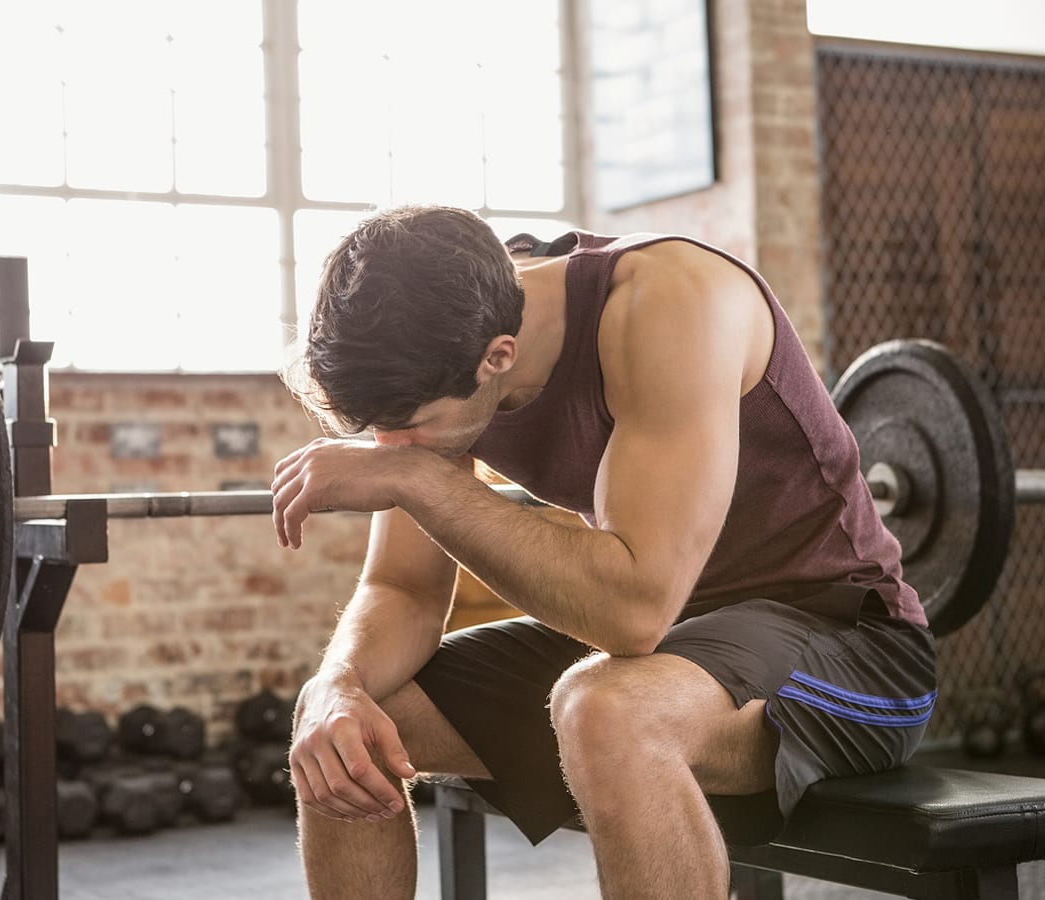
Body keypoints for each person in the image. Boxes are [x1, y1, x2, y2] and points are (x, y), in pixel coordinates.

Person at [270, 205, 937, 899]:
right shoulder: (443, 327)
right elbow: (403, 590)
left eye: (409, 429)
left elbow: (632, 613)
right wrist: (339, 684)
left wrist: (416, 480)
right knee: (341, 732)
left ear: (500, 355)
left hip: (852, 646)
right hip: (672, 655)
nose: (393, 448)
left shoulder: (671, 302)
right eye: (381, 436)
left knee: (607, 712)